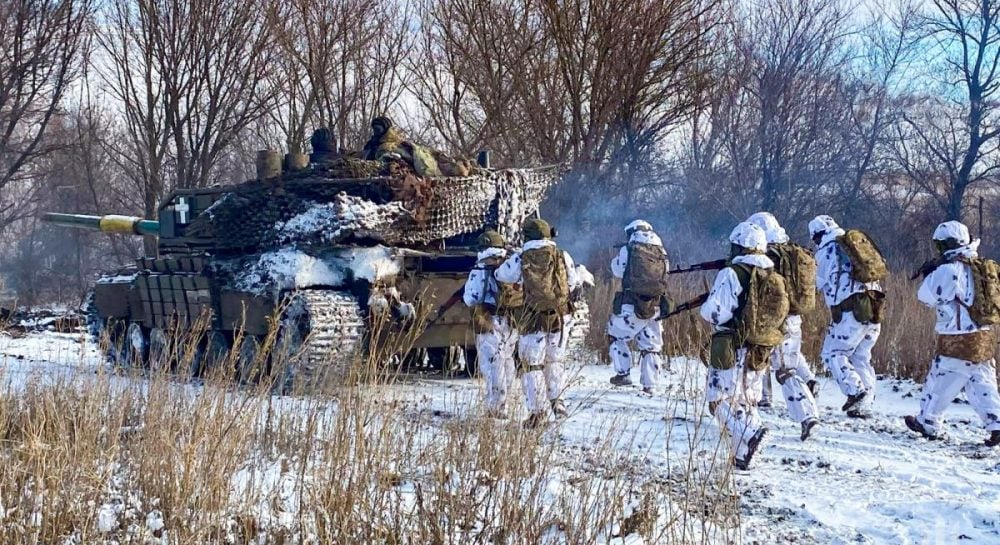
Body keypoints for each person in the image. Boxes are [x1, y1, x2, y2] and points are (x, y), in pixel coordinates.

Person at [701, 222, 789, 469]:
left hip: (732, 344)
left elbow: (716, 312)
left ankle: (752, 434)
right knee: (744, 401)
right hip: (760, 348)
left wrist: (705, 307)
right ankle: (743, 454)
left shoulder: (732, 273)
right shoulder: (772, 275)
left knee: (718, 401)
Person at [904, 221, 1000, 446]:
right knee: (982, 382)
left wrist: (931, 273)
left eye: (940, 245)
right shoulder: (981, 267)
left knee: (940, 381)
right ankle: (996, 424)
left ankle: (928, 422)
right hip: (984, 336)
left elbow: (925, 297)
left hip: (958, 338)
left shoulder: (949, 270)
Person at [496, 218, 582, 428]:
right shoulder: (561, 255)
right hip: (560, 316)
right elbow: (572, 282)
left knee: (531, 364)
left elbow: (502, 275)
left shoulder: (521, 257)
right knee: (555, 360)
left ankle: (537, 412)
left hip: (533, 318)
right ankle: (558, 403)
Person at [747, 212, 820, 441]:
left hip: (777, 320)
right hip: (793, 318)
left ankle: (808, 416)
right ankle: (763, 399)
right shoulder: (791, 251)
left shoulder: (769, 255)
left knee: (785, 371)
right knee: (768, 361)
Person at [809, 215, 886, 418]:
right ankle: (865, 404)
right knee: (861, 356)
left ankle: (855, 391)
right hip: (874, 307)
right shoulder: (855, 246)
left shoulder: (827, 251)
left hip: (851, 312)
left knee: (832, 353)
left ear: (818, 235)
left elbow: (815, 283)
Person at [608, 220, 671, 393]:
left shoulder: (628, 249)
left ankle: (623, 373)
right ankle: (650, 385)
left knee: (615, 334)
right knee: (651, 346)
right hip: (655, 305)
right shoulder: (661, 251)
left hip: (632, 304)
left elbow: (617, 270)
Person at [463, 230, 520, 418]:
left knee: (492, 364)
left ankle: (496, 408)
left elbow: (471, 298)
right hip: (511, 321)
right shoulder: (510, 266)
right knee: (507, 360)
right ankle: (507, 401)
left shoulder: (481, 269)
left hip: (489, 321)